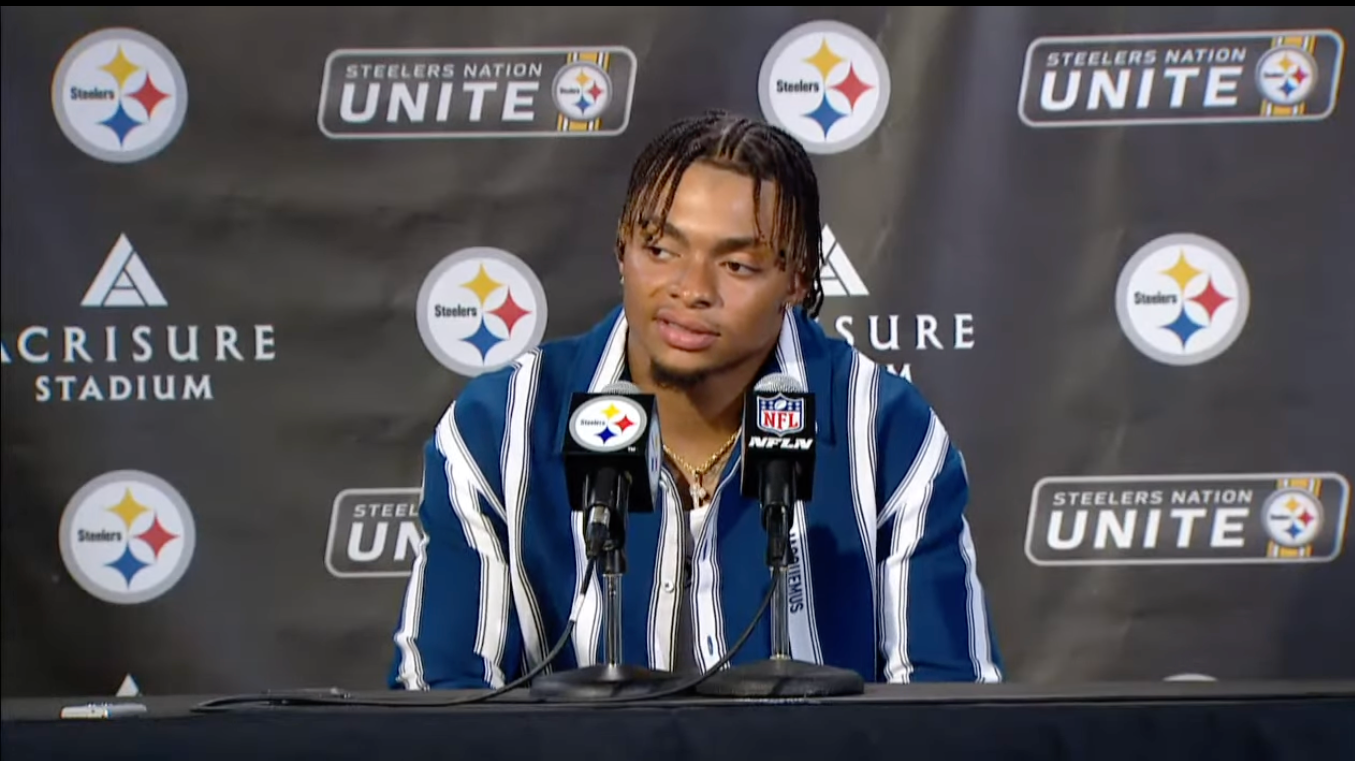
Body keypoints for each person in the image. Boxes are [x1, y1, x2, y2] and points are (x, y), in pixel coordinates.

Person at [388, 109, 1003, 690]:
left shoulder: (888, 431)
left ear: (800, 280)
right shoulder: (501, 429)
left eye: (736, 265)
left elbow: (945, 704)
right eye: (661, 249)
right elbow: (441, 696)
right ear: (622, 248)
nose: (690, 289)